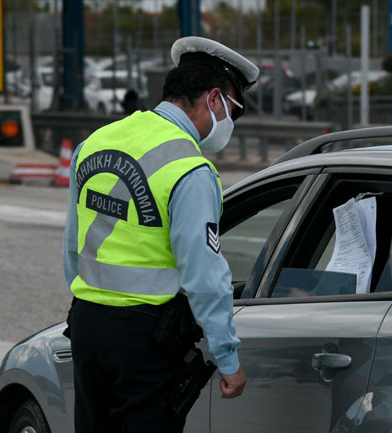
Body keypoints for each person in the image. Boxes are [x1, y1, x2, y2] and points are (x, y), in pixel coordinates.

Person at [62, 36, 258, 433]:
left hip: (86, 325)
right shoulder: (190, 168)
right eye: (234, 111)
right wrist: (227, 358)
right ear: (214, 98)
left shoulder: (94, 142)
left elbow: (72, 245)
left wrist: (88, 304)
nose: (230, 124)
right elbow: (204, 274)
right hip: (145, 340)